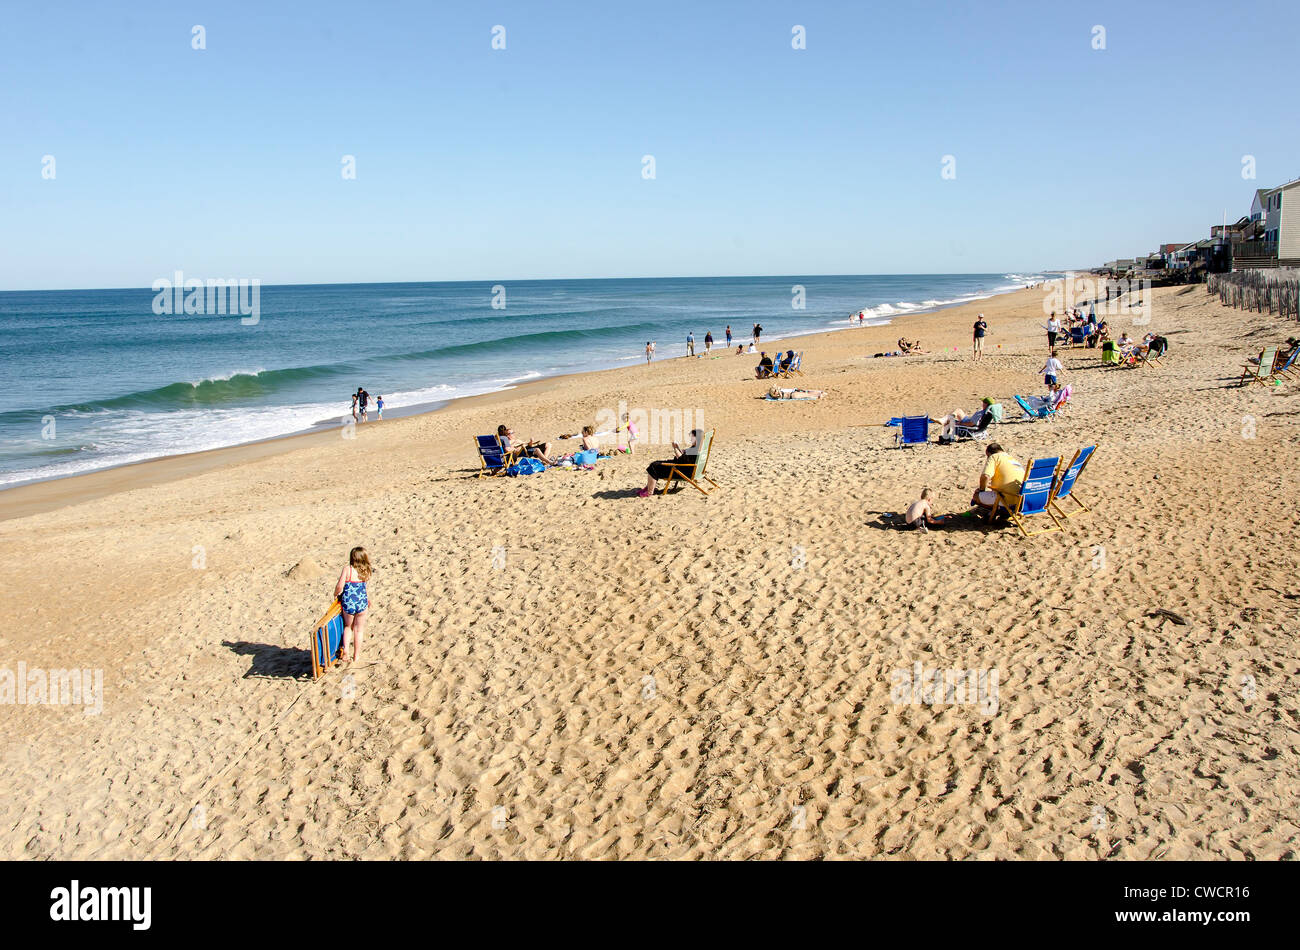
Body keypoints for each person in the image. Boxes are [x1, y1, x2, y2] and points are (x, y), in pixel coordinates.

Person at [334, 546, 373, 663]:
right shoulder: (366, 570)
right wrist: (367, 599)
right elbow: (363, 588)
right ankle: (356, 656)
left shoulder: (348, 569)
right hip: (362, 603)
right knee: (359, 630)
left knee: (348, 627)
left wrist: (335, 594)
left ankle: (346, 651)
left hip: (349, 603)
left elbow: (340, 586)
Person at [637, 429, 702, 497]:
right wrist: (678, 448)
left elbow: (682, 460)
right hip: (685, 469)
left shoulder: (695, 450)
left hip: (682, 472)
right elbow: (685, 458)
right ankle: (649, 487)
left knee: (653, 466)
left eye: (692, 437)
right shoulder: (698, 448)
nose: (690, 439)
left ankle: (649, 491)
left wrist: (675, 449)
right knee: (656, 463)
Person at [971, 442, 1025, 514]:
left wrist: (981, 490)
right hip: (1021, 500)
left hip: (1006, 498)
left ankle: (996, 511)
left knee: (976, 496)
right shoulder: (1013, 459)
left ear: (989, 453)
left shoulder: (994, 457)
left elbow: (985, 476)